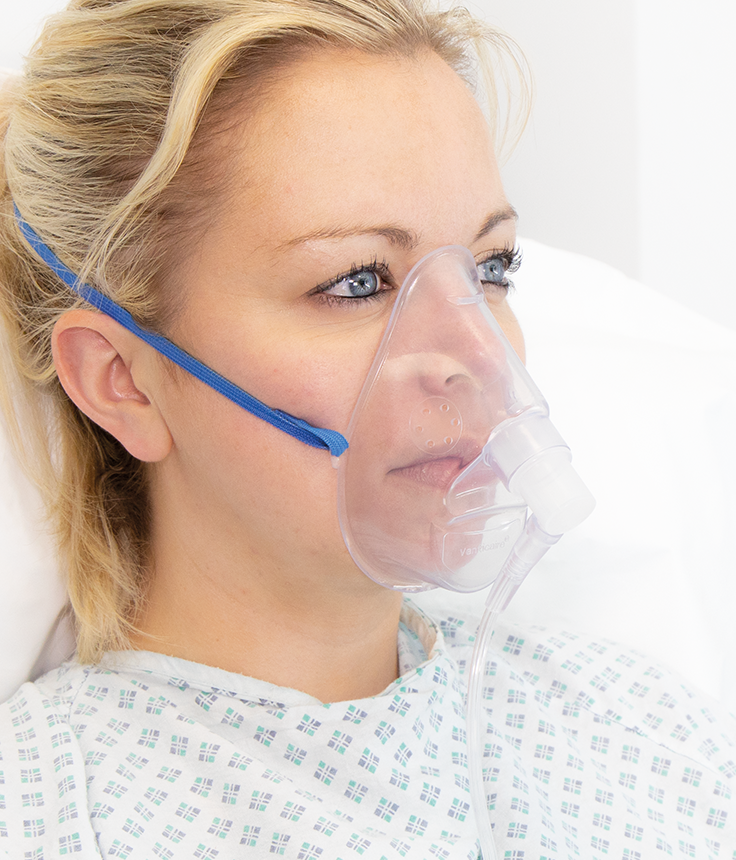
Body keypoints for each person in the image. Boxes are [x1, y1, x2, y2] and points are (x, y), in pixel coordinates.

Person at [0, 1, 734, 857]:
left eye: (490, 268)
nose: (478, 353)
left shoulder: (644, 742)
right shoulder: (48, 816)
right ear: (122, 380)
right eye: (357, 282)